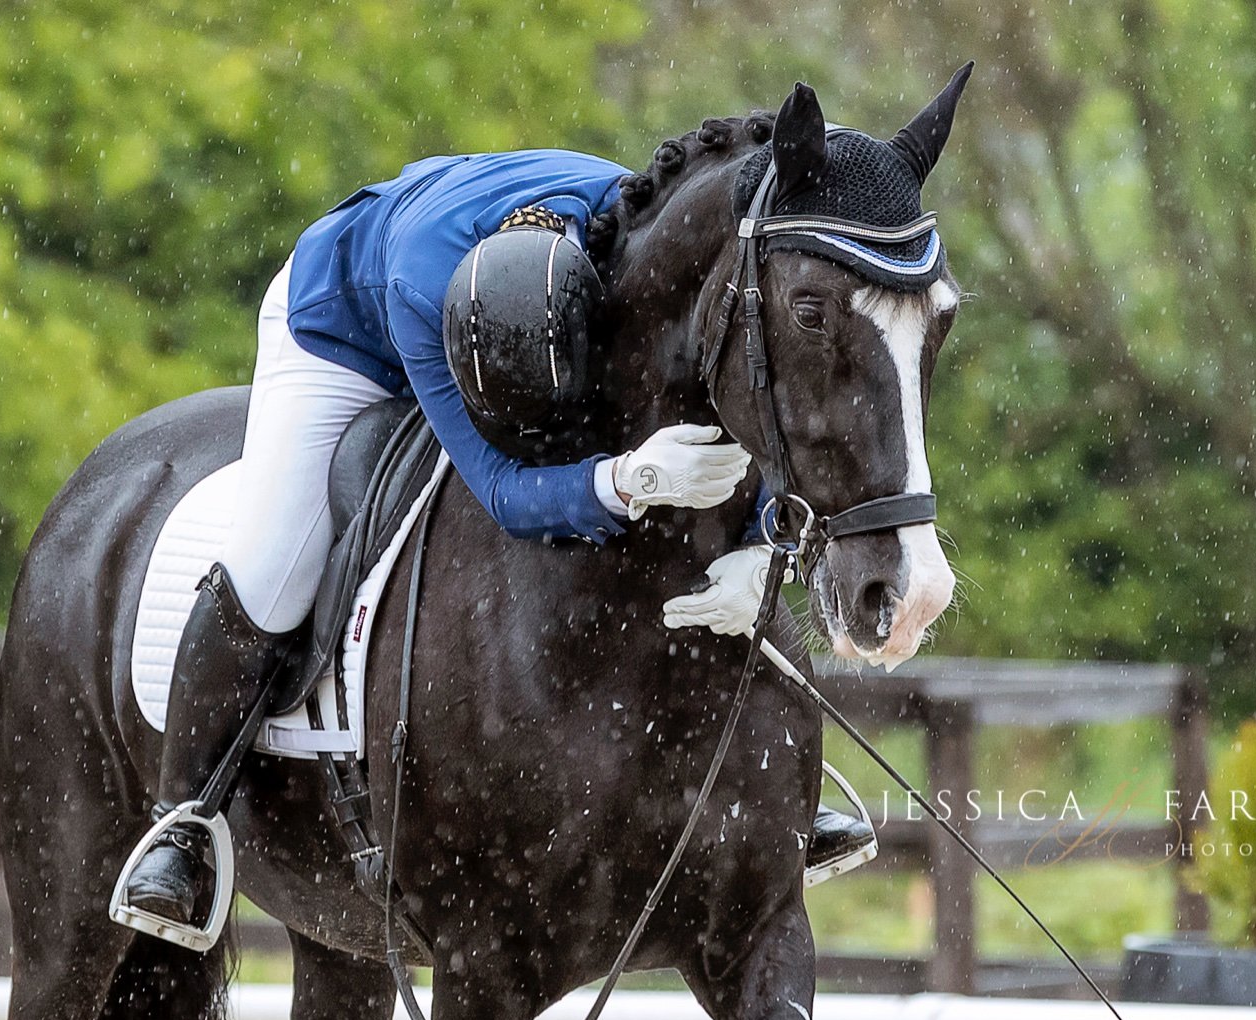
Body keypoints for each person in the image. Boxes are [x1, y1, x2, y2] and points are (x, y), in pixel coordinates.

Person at [115, 149, 876, 943]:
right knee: (274, 563)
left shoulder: (622, 251)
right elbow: (505, 494)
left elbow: (731, 409)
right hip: (342, 327)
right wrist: (624, 481)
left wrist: (758, 540)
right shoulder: (417, 290)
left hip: (530, 304)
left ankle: (775, 776)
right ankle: (183, 822)